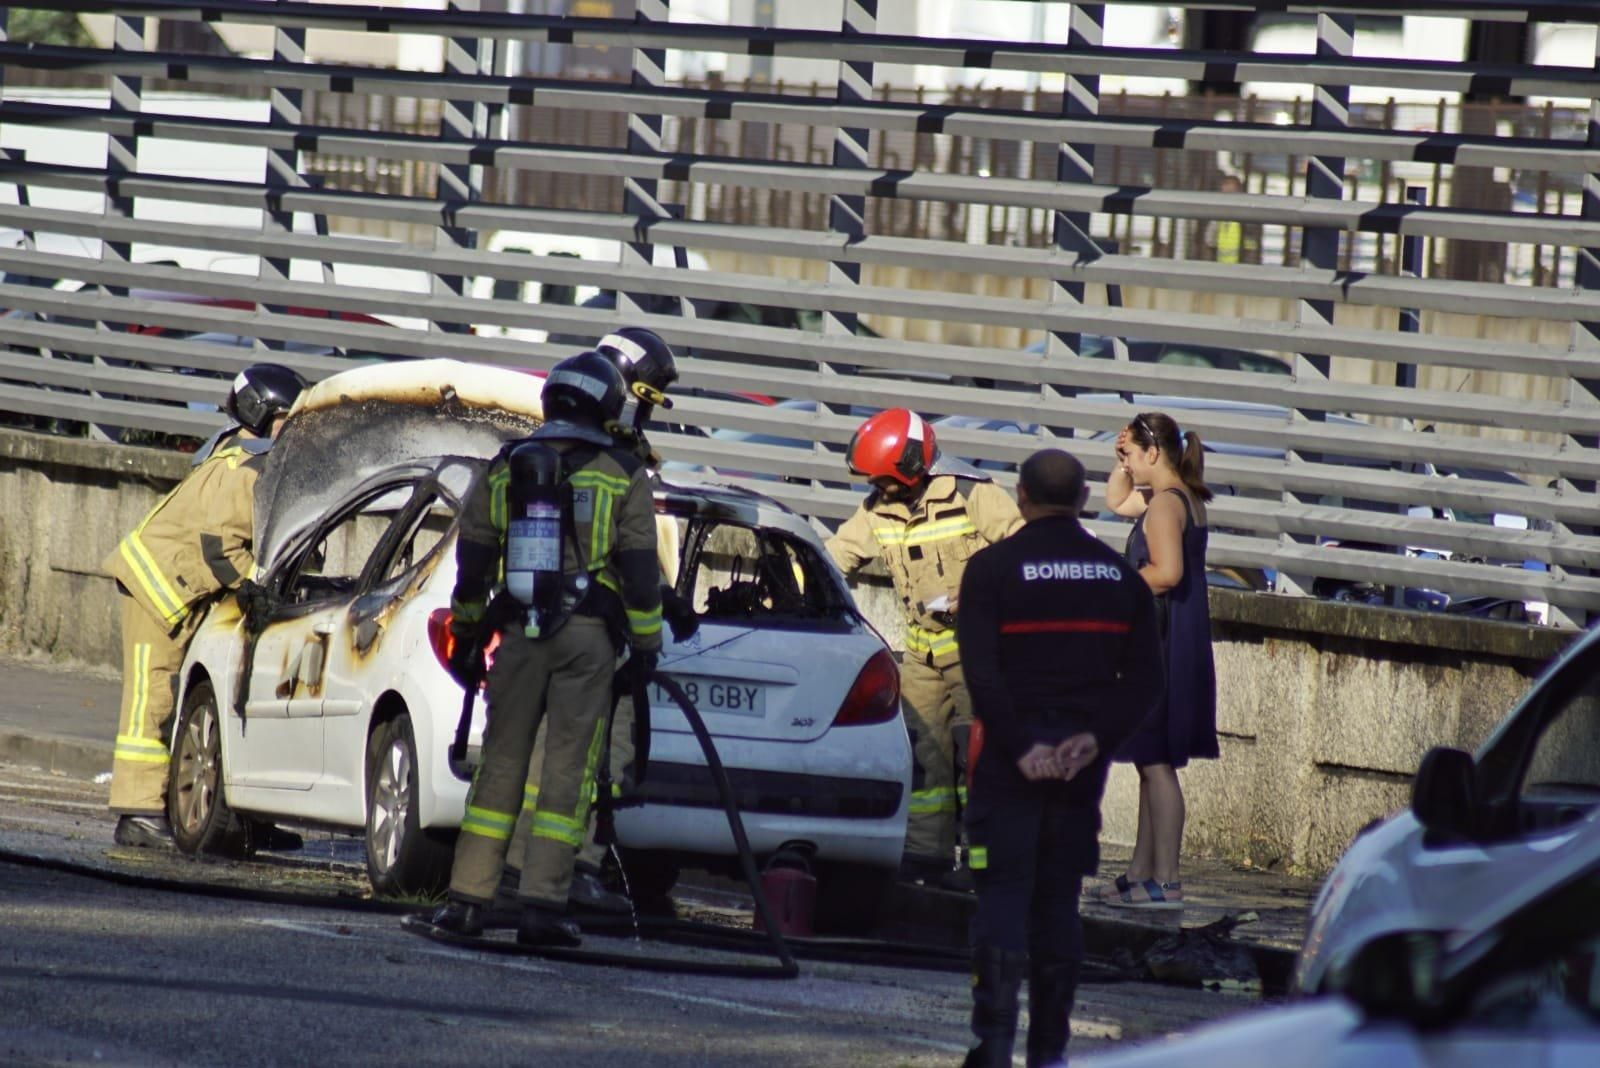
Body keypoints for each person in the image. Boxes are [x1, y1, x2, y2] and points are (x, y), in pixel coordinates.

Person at [424, 350, 663, 948]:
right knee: (567, 773)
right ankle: (542, 908)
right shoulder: (621, 472)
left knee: (500, 765)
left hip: (520, 637)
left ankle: (467, 901)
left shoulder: (506, 466)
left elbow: (473, 557)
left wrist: (470, 627)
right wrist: (647, 642)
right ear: (608, 405)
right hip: (587, 643)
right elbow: (639, 571)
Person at [955, 448, 1164, 1068]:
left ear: (1021, 496)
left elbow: (982, 675)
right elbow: (1145, 683)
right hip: (1079, 773)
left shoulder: (991, 570)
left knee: (1001, 900)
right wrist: (1092, 741)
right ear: (1081, 501)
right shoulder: (1119, 578)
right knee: (1057, 905)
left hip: (1010, 769)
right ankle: (1050, 1051)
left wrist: (1022, 749)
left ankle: (992, 1046)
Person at [499, 326, 689, 915]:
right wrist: (650, 626)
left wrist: (661, 595)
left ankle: (526, 872)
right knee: (582, 759)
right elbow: (614, 555)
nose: (646, 411)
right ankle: (565, 871)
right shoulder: (609, 461)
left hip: (547, 630)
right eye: (646, 396)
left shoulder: (558, 452)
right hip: (591, 637)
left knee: (560, 758)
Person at [102, 363, 308, 848]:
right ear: (260, 415)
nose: (291, 431)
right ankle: (137, 813)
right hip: (156, 587)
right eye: (284, 421)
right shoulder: (241, 471)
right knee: (151, 702)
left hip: (180, 589)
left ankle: (243, 817)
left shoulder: (243, 457)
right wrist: (253, 586)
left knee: (202, 703)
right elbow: (221, 547)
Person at [825, 408, 1022, 889]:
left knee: (974, 758)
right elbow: (836, 556)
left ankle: (983, 863)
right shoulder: (877, 509)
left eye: (883, 479)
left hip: (979, 655)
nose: (877, 488)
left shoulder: (974, 494)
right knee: (921, 756)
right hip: (921, 659)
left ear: (910, 468)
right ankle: (926, 856)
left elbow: (1025, 551)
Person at [1097, 411, 1219, 909]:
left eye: (1130, 455)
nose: (1124, 464)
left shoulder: (1165, 507)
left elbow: (1166, 573)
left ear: (1155, 453)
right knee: (1151, 761)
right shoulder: (1176, 497)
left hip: (1162, 643)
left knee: (1157, 764)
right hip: (1175, 638)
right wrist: (1120, 458)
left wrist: (1116, 583)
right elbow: (1115, 499)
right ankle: (1141, 871)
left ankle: (1165, 880)